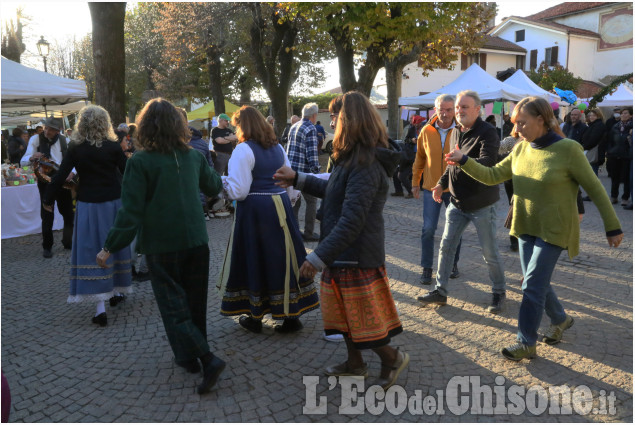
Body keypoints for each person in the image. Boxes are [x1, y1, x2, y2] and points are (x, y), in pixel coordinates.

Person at [445, 96, 623, 361]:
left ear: (541, 120)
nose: (517, 130)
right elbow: (492, 175)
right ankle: (560, 319)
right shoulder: (520, 149)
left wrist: (612, 227)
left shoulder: (569, 149)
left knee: (531, 285)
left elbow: (596, 188)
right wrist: (464, 161)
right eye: (516, 123)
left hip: (555, 229)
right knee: (535, 282)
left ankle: (525, 341)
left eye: (523, 123)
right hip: (526, 226)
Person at [274, 91, 409, 390]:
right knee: (345, 316)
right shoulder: (351, 156)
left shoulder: (366, 162)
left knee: (364, 322)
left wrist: (316, 257)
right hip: (342, 253)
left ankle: (392, 358)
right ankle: (355, 363)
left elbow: (352, 220)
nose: (331, 121)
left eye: (336, 116)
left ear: (351, 119)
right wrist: (297, 178)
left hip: (356, 255)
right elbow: (334, 191)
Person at [97, 98, 225, 394]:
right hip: (196, 241)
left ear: (145, 127)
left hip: (162, 245)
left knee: (173, 308)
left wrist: (109, 246)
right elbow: (212, 185)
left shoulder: (140, 162)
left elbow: (130, 212)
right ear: (178, 126)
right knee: (193, 304)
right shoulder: (192, 156)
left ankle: (206, 358)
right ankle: (188, 357)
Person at [218, 106, 320, 333]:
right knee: (283, 258)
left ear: (243, 125)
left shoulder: (243, 150)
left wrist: (220, 183)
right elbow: (290, 184)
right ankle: (291, 315)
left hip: (256, 211)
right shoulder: (277, 148)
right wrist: (286, 202)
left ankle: (255, 316)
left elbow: (239, 191)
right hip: (280, 208)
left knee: (255, 258)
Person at [417, 90, 507, 313]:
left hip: (482, 204)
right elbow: (451, 163)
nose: (459, 111)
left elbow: (487, 164)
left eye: (464, 107)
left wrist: (464, 159)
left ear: (478, 109)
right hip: (457, 202)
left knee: (489, 252)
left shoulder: (488, 132)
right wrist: (440, 183)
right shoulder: (456, 131)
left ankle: (498, 292)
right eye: (458, 107)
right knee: (447, 246)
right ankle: (440, 291)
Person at [43, 105, 131, 327]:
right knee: (113, 246)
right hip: (113, 203)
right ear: (105, 122)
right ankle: (115, 293)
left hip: (89, 205)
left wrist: (47, 199)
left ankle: (100, 308)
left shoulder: (76, 147)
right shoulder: (113, 146)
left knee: (92, 249)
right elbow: (129, 171)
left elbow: (61, 175)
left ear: (81, 124)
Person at [412, 94, 462, 285]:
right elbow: (420, 159)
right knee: (428, 229)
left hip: (454, 189)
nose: (445, 113)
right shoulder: (426, 130)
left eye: (450, 109)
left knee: (454, 230)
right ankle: (426, 267)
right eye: (442, 109)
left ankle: (452, 264)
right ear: (435, 109)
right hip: (430, 187)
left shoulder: (461, 130)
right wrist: (415, 182)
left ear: (454, 110)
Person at [21, 117, 75, 258]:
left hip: (62, 182)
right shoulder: (35, 140)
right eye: (46, 127)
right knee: (47, 215)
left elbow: (74, 161)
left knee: (68, 214)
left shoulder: (65, 141)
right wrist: (32, 157)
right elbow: (23, 161)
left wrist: (72, 172)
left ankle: (68, 242)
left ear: (58, 131)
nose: (47, 131)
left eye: (51, 129)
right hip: (45, 183)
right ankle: (47, 246)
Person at [287, 103, 321, 242]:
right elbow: (312, 154)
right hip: (305, 173)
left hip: (292, 171)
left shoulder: (294, 126)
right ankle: (309, 233)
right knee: (312, 202)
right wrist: (316, 172)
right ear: (314, 115)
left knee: (296, 202)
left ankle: (294, 232)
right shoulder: (310, 128)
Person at [606, 107, 633, 206]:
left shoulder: (631, 126)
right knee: (614, 177)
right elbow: (610, 140)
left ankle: (625, 197)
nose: (623, 115)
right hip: (615, 154)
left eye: (625, 113)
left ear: (631, 115)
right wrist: (610, 151)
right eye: (622, 113)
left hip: (626, 155)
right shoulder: (615, 126)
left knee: (626, 178)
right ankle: (614, 196)